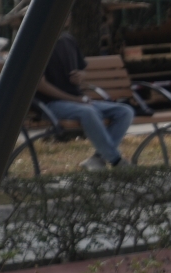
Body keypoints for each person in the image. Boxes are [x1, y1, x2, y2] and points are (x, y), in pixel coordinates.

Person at [36, 32, 133, 171]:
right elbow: (40, 84)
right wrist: (74, 99)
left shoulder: (68, 39)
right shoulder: (38, 44)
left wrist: (81, 75)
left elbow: (82, 70)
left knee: (125, 111)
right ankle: (116, 161)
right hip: (50, 104)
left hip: (77, 101)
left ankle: (98, 159)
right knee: (88, 112)